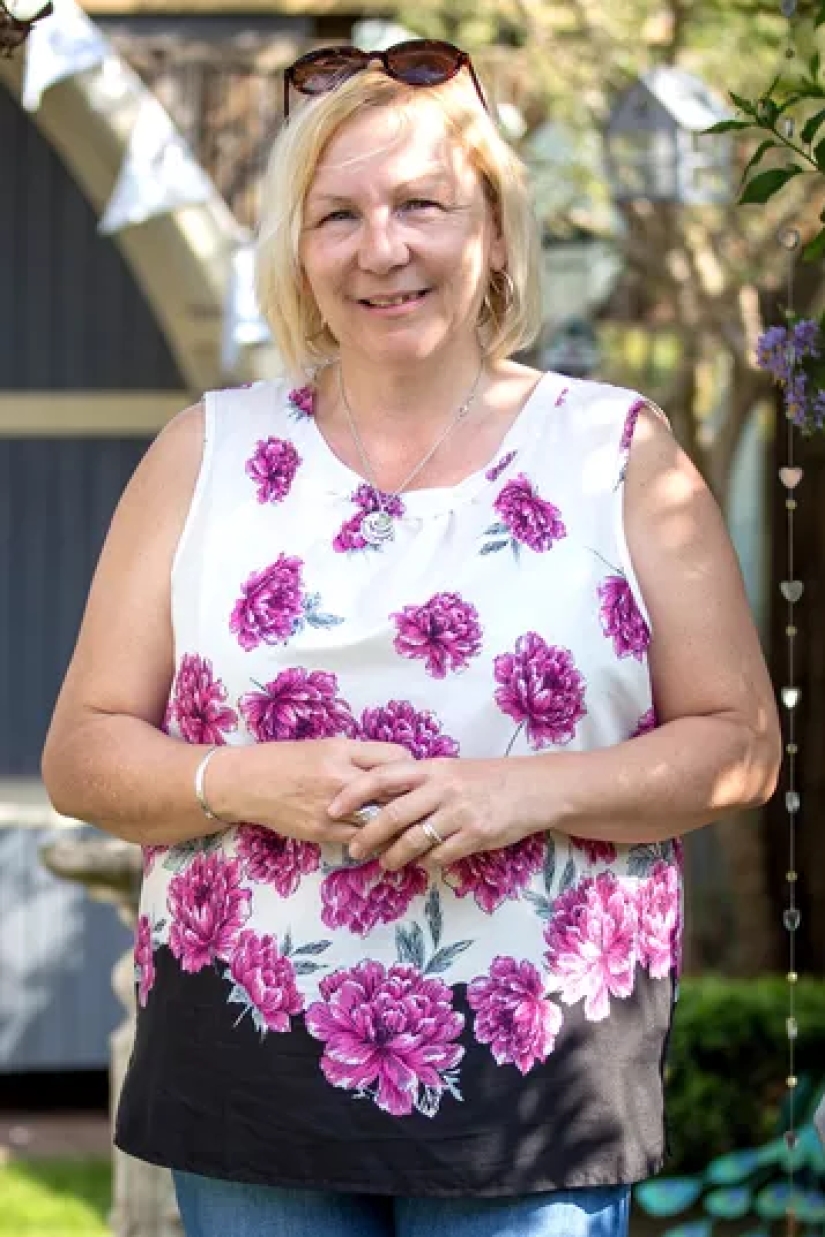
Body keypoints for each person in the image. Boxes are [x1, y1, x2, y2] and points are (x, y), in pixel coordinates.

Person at [41, 38, 781, 1237]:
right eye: (337, 214)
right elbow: (82, 753)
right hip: (247, 1067)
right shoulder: (205, 451)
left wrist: (520, 792)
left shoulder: (618, 454)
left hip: (533, 1076)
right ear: (297, 249)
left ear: (489, 226)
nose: (381, 248)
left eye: (420, 205)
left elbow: (740, 744)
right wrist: (239, 778)